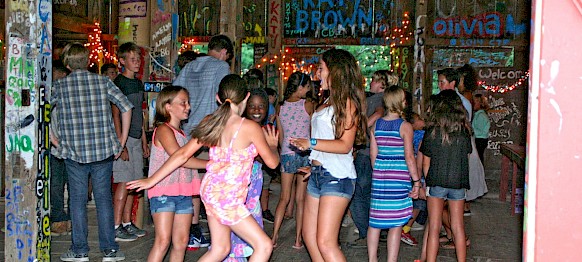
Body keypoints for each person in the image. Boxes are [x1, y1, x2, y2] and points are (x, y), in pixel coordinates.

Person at [128, 74, 279, 261]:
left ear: (218, 98)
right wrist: (272, 146)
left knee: (221, 249)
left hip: (211, 192)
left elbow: (182, 154)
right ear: (246, 97)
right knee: (263, 246)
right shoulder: (249, 127)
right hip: (227, 197)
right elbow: (272, 163)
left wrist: (151, 179)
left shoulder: (211, 121)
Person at [51, 42, 133, 261]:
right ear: (88, 61)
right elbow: (126, 107)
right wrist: (121, 140)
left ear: (67, 64)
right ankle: (110, 250)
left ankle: (79, 251)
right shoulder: (103, 81)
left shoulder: (60, 86)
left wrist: (55, 141)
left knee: (77, 201)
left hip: (74, 152)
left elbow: (44, 114)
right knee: (103, 199)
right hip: (103, 150)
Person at [289, 49, 368, 261]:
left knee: (325, 242)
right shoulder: (325, 102)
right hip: (318, 173)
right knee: (309, 236)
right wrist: (314, 162)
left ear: (335, 72)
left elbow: (344, 145)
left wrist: (311, 143)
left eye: (321, 69)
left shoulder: (348, 103)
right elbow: (327, 140)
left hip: (337, 177)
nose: (317, 73)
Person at [130, 86, 207, 261]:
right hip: (164, 191)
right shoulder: (164, 130)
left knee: (181, 242)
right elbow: (181, 159)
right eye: (183, 103)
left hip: (183, 192)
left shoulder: (182, 134)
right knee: (163, 241)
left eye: (188, 102)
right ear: (167, 106)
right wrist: (212, 164)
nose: (188, 106)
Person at [173, 35, 233, 248]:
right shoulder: (221, 67)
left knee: (192, 181)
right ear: (225, 52)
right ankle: (215, 231)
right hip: (210, 132)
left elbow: (173, 91)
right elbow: (224, 99)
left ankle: (193, 227)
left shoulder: (189, 67)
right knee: (214, 182)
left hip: (188, 130)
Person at [367, 86, 421, 262]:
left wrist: (381, 172)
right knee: (396, 223)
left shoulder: (376, 125)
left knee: (375, 221)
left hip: (380, 178)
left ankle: (372, 259)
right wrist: (417, 181)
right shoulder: (405, 126)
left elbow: (373, 157)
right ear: (401, 103)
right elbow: (409, 156)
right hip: (398, 178)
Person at [420, 90, 472, 262]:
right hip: (458, 182)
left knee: (434, 227)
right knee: (458, 226)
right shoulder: (464, 132)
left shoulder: (432, 131)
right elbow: (466, 158)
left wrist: (429, 183)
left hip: (436, 181)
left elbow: (425, 163)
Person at [349, 70, 399, 248]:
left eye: (373, 80)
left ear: (381, 84)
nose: (370, 82)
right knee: (371, 194)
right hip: (379, 154)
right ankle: (376, 232)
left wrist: (360, 128)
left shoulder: (378, 98)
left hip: (367, 152)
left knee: (357, 194)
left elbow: (377, 114)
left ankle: (367, 232)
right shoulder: (389, 100)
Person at [225, 87, 271, 261]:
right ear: (244, 106)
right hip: (239, 189)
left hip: (252, 193)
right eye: (252, 106)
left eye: (261, 106)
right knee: (235, 237)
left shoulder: (264, 129)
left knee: (249, 238)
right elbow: (268, 160)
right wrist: (271, 148)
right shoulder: (243, 128)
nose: (257, 110)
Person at [111, 42, 150, 242]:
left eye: (138, 59)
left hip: (136, 137)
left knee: (134, 184)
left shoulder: (137, 83)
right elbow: (116, 114)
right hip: (124, 140)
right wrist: (121, 143)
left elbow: (139, 115)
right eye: (132, 59)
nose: (137, 63)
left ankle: (127, 223)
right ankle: (116, 225)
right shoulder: (119, 83)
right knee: (123, 183)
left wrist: (143, 139)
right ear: (122, 61)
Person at [271, 72, 314, 249]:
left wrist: (282, 153)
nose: (309, 90)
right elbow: (311, 131)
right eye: (307, 86)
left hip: (287, 154)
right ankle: (298, 240)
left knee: (284, 198)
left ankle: (273, 237)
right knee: (300, 200)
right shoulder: (308, 105)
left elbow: (280, 135)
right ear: (300, 87)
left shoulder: (280, 107)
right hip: (304, 154)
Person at [50, 59, 72, 237]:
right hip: (57, 148)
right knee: (57, 185)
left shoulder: (67, 94)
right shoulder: (53, 93)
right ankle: (59, 219)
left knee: (69, 186)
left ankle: (69, 219)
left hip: (68, 148)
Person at [400, 112, 428, 247]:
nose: (423, 121)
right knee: (419, 203)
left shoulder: (405, 135)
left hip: (406, 171)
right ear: (412, 124)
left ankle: (402, 227)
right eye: (419, 119)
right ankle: (405, 229)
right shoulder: (421, 135)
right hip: (418, 172)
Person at [472, 94, 491, 163]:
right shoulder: (479, 115)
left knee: (478, 160)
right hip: (480, 139)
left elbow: (480, 131)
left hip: (480, 140)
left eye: (474, 102)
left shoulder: (481, 115)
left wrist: (471, 130)